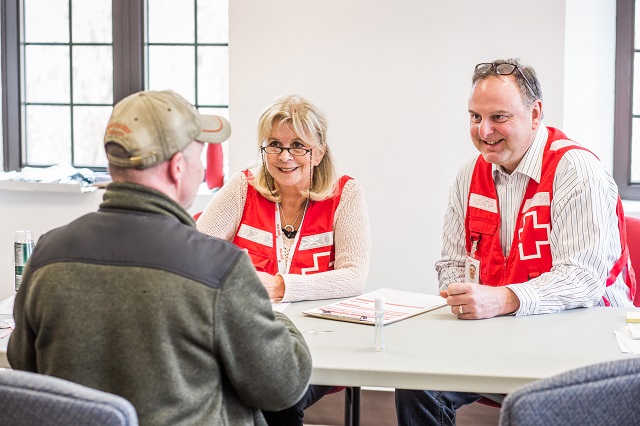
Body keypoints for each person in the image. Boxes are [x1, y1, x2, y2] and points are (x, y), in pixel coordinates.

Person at [8, 90, 312, 426]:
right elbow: (283, 386)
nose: (201, 170)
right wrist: (273, 316)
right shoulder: (219, 268)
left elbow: (25, 368)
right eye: (199, 158)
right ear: (178, 168)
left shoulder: (48, 254)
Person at [395, 59, 636, 426]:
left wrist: (503, 299)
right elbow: (452, 263)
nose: (483, 130)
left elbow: (583, 279)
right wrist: (462, 298)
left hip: (585, 338)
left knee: (533, 405)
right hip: (501, 334)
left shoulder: (577, 170)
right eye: (475, 117)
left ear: (535, 113)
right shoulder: (468, 175)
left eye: (499, 117)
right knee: (416, 383)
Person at [196, 94, 371, 425]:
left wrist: (281, 286)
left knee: (276, 397)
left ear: (318, 152)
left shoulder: (345, 194)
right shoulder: (242, 187)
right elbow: (196, 252)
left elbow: (353, 276)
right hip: (248, 336)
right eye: (274, 144)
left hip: (320, 342)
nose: (285, 156)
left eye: (298, 146)